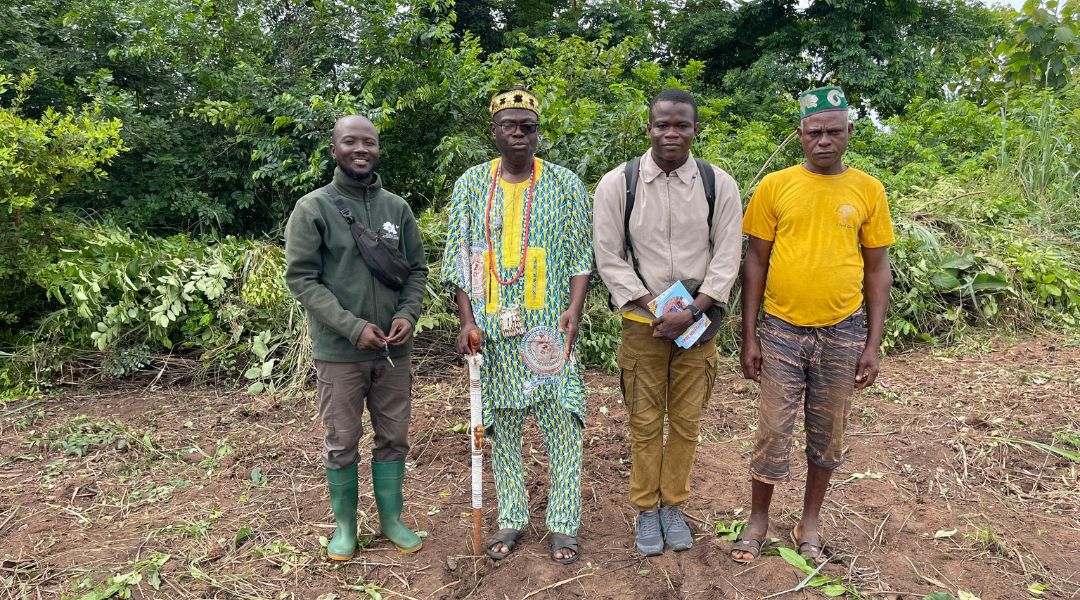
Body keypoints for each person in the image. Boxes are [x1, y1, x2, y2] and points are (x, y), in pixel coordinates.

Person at [731, 86, 894, 564]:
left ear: (849, 133)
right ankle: (758, 519)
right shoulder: (775, 187)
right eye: (814, 132)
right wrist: (750, 334)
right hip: (782, 329)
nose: (824, 140)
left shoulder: (868, 189)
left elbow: (877, 268)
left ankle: (810, 521)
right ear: (800, 135)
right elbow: (754, 263)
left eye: (833, 132)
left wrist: (872, 343)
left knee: (829, 433)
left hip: (844, 330)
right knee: (772, 431)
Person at [441, 86, 592, 565]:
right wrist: (466, 320)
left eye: (529, 126)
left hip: (547, 327)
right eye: (511, 125)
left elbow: (580, 253)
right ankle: (511, 518)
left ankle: (564, 525)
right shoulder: (470, 185)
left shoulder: (564, 183)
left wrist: (575, 310)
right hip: (491, 328)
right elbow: (460, 258)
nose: (521, 134)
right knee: (501, 425)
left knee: (562, 421)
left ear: (537, 132)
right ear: (495, 132)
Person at [593, 88, 743, 556]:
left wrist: (695, 308)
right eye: (663, 124)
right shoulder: (619, 183)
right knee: (643, 421)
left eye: (682, 125)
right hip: (643, 324)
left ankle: (673, 505)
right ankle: (645, 509)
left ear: (696, 129)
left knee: (686, 422)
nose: (672, 133)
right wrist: (656, 308)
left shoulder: (719, 184)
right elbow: (608, 256)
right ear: (649, 129)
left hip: (698, 326)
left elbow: (727, 254)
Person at [284, 115, 429, 560]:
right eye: (351, 142)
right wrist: (351, 327)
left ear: (378, 149)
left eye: (369, 142)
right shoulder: (313, 208)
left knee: (393, 437)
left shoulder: (396, 209)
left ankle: (391, 521)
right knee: (342, 440)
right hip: (339, 353)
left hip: (393, 352)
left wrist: (407, 314)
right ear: (335, 149)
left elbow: (416, 271)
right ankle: (346, 529)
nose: (360, 149)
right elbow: (303, 279)